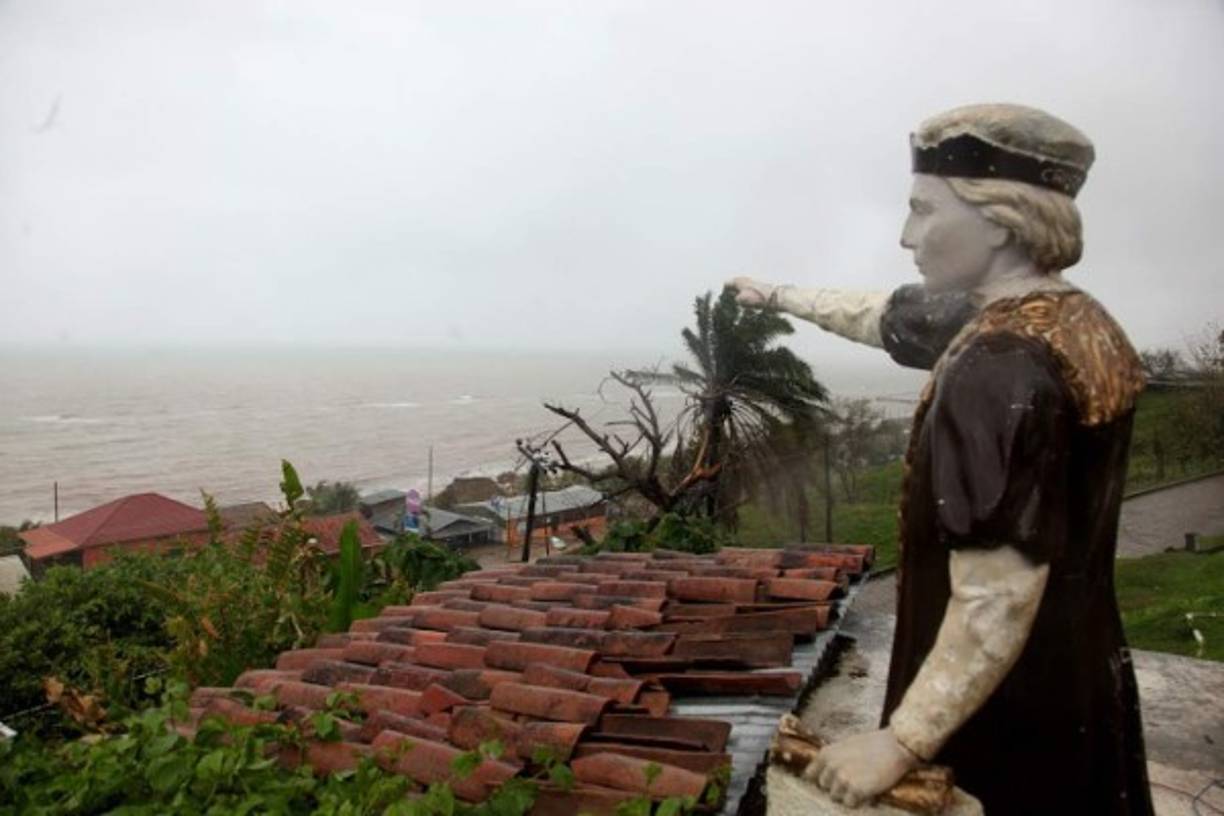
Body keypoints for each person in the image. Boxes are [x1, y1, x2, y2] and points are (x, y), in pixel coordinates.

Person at [728, 103, 1153, 814]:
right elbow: (880, 314)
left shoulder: (997, 365)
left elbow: (999, 591)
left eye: (925, 211)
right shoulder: (1074, 319)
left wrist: (902, 741)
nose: (906, 236)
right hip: (1081, 674)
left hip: (1002, 710)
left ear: (997, 220)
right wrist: (777, 295)